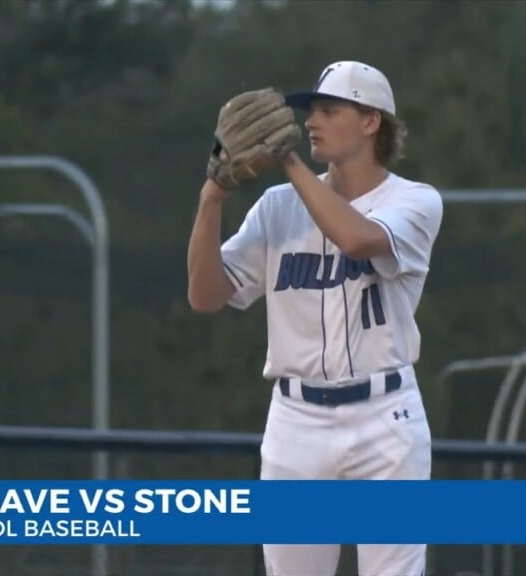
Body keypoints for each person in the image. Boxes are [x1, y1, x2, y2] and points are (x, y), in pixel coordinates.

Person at [187, 60, 444, 576]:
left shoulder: (415, 202)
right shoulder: (277, 208)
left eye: (329, 110)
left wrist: (287, 162)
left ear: (372, 122)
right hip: (296, 422)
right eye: (311, 111)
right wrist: (211, 199)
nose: (310, 122)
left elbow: (357, 239)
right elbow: (206, 295)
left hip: (385, 418)